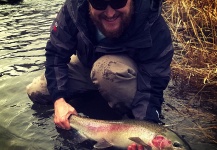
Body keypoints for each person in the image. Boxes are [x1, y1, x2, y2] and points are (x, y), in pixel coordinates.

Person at [26, 0, 173, 149]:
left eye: (118, 2)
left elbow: (153, 83)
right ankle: (86, 103)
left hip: (121, 76)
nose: (110, 13)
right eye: (99, 3)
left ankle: (123, 115)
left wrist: (146, 124)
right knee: (38, 90)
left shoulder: (154, 25)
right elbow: (56, 53)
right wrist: (59, 101)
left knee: (104, 70)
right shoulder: (73, 9)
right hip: (86, 67)